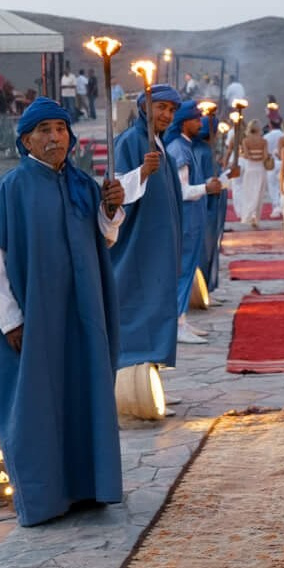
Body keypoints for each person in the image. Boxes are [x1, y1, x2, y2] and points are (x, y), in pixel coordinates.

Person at [0, 98, 126, 524]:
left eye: (60, 129)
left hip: (82, 315)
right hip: (36, 319)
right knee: (38, 403)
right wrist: (10, 320)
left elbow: (105, 240)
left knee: (84, 394)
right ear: (25, 140)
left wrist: (111, 209)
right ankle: (44, 499)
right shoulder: (11, 189)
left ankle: (88, 487)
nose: (54, 137)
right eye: (44, 130)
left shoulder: (82, 185)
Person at [110, 85, 184, 371]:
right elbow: (114, 192)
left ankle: (151, 375)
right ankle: (134, 377)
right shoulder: (129, 141)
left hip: (159, 244)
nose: (167, 115)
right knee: (138, 307)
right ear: (144, 107)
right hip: (139, 243)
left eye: (172, 110)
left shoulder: (159, 143)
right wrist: (141, 171)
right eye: (161, 107)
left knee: (158, 307)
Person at [163, 100, 222, 344]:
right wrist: (207, 188)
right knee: (182, 270)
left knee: (187, 270)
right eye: (196, 119)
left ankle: (182, 319)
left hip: (193, 219)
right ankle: (176, 322)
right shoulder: (179, 149)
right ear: (184, 122)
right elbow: (182, 190)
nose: (200, 123)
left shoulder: (186, 146)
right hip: (185, 219)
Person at [191, 108, 226, 303]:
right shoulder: (201, 152)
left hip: (212, 204)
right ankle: (201, 290)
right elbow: (204, 181)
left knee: (210, 247)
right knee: (204, 248)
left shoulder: (207, 151)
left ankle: (208, 288)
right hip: (206, 206)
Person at [231, 121, 271, 228]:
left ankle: (249, 215)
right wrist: (259, 157)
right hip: (260, 168)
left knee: (249, 193)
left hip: (250, 168)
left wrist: (247, 155)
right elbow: (265, 156)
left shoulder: (245, 141)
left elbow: (247, 156)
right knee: (259, 194)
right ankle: (256, 217)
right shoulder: (264, 141)